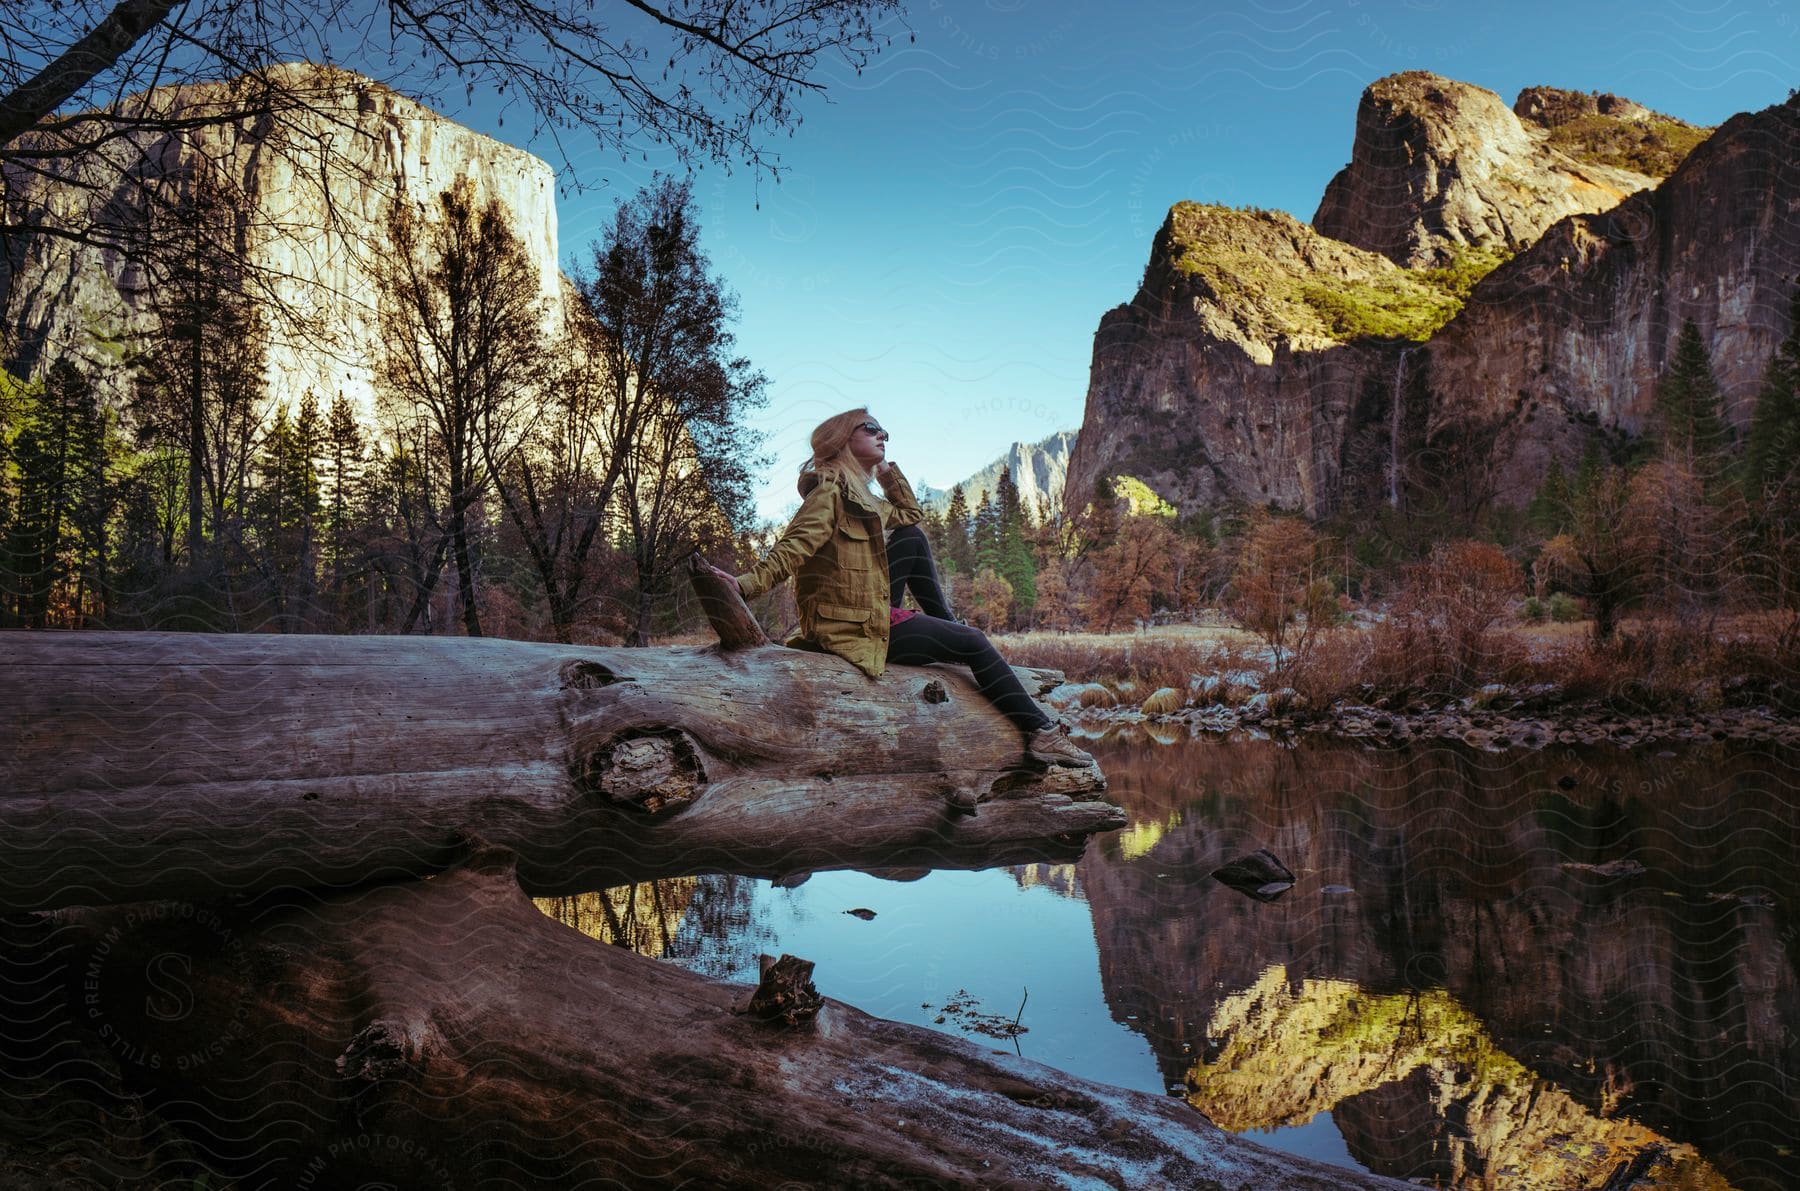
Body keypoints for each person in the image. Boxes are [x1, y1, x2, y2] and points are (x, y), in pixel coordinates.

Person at [702, 408, 1093, 776]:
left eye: (884, 431)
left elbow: (909, 515)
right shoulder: (829, 495)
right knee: (974, 642)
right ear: (841, 440)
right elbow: (793, 548)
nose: (882, 435)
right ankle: (1042, 733)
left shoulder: (864, 498)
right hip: (851, 628)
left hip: (868, 610)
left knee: (911, 537)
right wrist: (744, 585)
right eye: (870, 429)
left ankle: (947, 630)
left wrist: (887, 473)